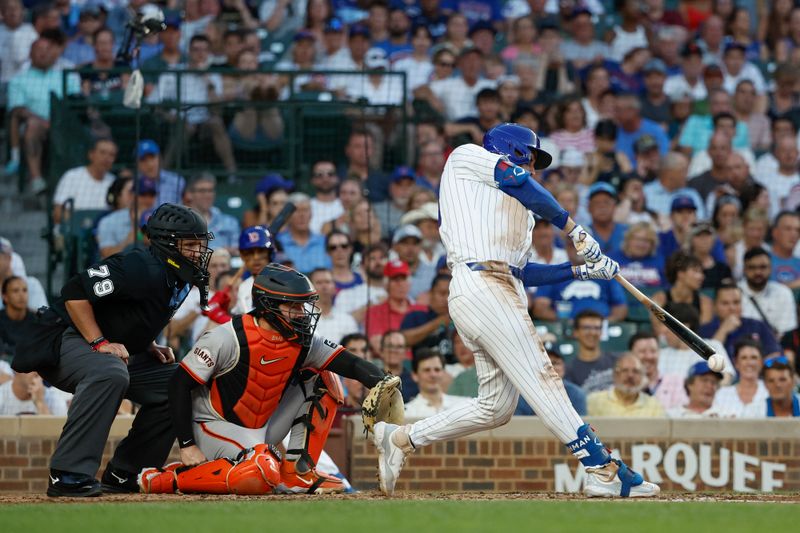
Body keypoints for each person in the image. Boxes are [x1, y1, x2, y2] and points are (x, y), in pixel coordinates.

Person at [371, 122, 659, 498]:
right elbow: (519, 181)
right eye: (532, 158)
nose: (535, 167)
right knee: (543, 376)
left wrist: (580, 270)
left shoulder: (519, 214)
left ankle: (402, 439)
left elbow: (522, 271)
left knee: (496, 407)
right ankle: (599, 466)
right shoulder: (468, 157)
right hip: (480, 285)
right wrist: (573, 229)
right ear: (512, 150)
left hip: (498, 287)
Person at [11, 203, 214, 497]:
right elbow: (74, 292)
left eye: (201, 244)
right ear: (169, 243)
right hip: (61, 337)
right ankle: (68, 474)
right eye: (192, 244)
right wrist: (98, 342)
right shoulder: (139, 266)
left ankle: (127, 472)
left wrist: (148, 343)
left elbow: (128, 313)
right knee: (110, 372)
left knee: (180, 382)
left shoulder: (177, 276)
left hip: (97, 341)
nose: (199, 251)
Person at [139, 264, 393, 495]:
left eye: (303, 305)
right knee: (262, 474)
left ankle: (298, 473)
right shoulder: (226, 336)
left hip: (262, 426)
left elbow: (350, 363)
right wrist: (187, 445)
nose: (302, 314)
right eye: (293, 306)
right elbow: (179, 384)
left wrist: (384, 381)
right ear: (268, 305)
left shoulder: (300, 339)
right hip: (214, 425)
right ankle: (169, 478)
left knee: (326, 377)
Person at [699, 281, 781, 359]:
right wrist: (723, 331)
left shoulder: (757, 325)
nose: (732, 308)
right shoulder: (704, 330)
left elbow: (775, 353)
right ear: (715, 306)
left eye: (736, 302)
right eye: (725, 303)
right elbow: (705, 358)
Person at [52, 138, 118, 224]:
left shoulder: (114, 182)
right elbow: (58, 212)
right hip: (73, 232)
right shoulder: (72, 176)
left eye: (111, 155)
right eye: (102, 152)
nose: (106, 158)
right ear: (91, 154)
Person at [739, 247, 798, 338]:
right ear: (744, 269)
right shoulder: (734, 292)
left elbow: (787, 333)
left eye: (763, 267)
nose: (758, 272)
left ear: (770, 268)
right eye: (752, 267)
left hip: (776, 347)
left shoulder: (783, 293)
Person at [586, 354, 666, 417]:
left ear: (642, 376)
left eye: (635, 371)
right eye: (625, 370)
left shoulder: (654, 406)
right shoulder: (594, 401)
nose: (630, 375)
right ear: (615, 375)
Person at [95, 178, 158, 258]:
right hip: (121, 268)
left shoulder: (161, 219)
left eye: (152, 195)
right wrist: (128, 241)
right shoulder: (110, 221)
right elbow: (106, 254)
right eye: (143, 194)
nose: (147, 200)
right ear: (132, 195)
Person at [399, 274, 453, 361]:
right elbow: (403, 340)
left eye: (450, 294)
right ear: (431, 293)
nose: (447, 299)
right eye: (442, 293)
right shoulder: (416, 316)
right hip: (423, 369)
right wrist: (437, 322)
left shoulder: (462, 318)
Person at [404, 348, 470, 418]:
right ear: (415, 375)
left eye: (437, 370)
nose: (433, 375)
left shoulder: (464, 405)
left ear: (444, 373)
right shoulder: (407, 412)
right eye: (427, 370)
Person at [564, 310, 619, 393]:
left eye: (597, 328)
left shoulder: (617, 361)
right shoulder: (569, 370)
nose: (592, 332)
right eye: (586, 328)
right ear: (576, 332)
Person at [712, 339, 769, 418]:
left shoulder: (770, 391)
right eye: (744, 358)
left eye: (754, 358)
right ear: (736, 363)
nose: (749, 363)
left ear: (761, 362)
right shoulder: (721, 394)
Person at [277, 193, 331, 275]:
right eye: (296, 211)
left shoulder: (324, 241)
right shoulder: (278, 242)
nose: (302, 215)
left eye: (305, 210)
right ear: (288, 215)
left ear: (311, 214)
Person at [186, 173, 241, 252]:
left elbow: (237, 252)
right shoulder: (181, 222)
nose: (207, 195)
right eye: (202, 191)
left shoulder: (230, 222)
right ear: (189, 194)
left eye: (210, 190)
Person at [231, 226, 274, 315]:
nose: (256, 257)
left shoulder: (285, 281)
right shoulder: (243, 287)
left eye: (261, 251)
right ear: (242, 256)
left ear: (270, 253)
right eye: (249, 252)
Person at [309, 268, 358, 344]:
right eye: (319, 283)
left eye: (328, 282)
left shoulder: (346, 319)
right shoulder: (302, 315)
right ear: (310, 288)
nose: (324, 287)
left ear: (335, 287)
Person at [0, 276, 36, 359]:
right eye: (15, 291)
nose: (21, 295)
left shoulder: (37, 320)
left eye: (25, 290)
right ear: (5, 297)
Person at [769, 211, 800, 289]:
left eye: (797, 230)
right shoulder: (762, 261)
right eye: (788, 229)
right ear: (775, 232)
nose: (794, 234)